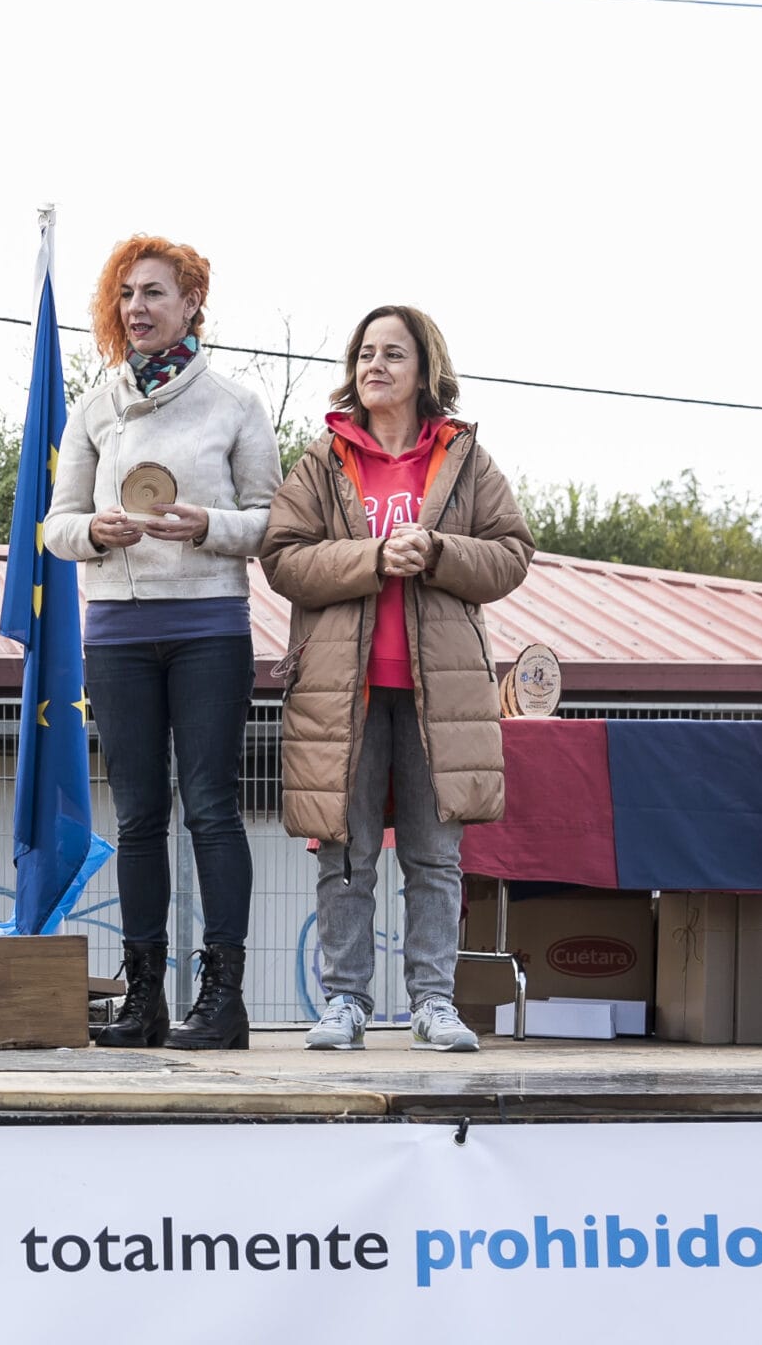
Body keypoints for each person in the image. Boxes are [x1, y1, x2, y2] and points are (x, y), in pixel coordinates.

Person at [261, 305, 532, 1053]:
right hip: (338, 692)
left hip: (439, 693)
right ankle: (344, 1002)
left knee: (435, 856)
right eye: (365, 354)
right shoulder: (321, 460)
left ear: (424, 370)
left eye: (393, 354)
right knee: (344, 853)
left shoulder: (465, 459)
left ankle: (434, 1003)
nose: (374, 366)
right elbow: (282, 558)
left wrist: (439, 551)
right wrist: (373, 557)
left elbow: (512, 553)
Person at [45, 236, 278, 1050]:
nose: (136, 307)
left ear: (191, 304)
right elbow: (55, 525)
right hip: (116, 630)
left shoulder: (236, 405)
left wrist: (209, 524)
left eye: (153, 292)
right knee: (140, 814)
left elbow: (271, 521)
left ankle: (223, 999)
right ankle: (143, 998)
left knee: (211, 806)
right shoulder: (94, 407)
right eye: (126, 294)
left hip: (208, 625)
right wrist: (95, 532)